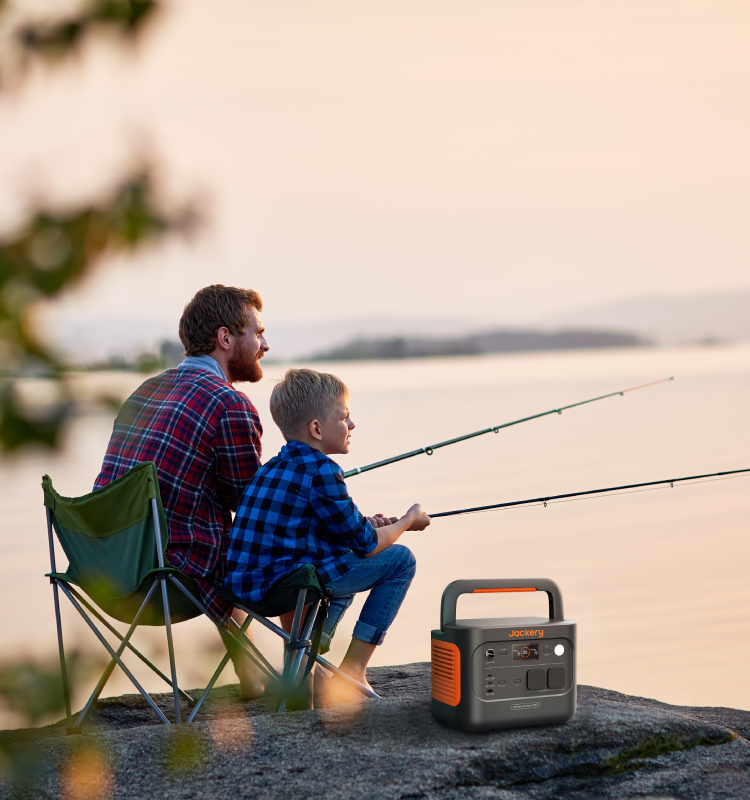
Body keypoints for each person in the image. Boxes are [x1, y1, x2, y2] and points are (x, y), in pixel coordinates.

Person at [94, 284, 270, 698]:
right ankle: (295, 677)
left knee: (213, 534)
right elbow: (250, 510)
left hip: (105, 569)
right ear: (226, 338)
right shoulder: (230, 404)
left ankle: (253, 673)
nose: (265, 344)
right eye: (257, 333)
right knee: (266, 540)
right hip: (165, 580)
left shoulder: (144, 391)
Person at [225, 368, 431, 706]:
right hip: (288, 589)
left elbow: (312, 525)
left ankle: (305, 665)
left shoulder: (270, 468)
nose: (352, 425)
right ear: (317, 429)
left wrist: (372, 524)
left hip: (247, 592)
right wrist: (407, 521)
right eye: (345, 417)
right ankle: (352, 670)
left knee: (339, 557)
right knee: (400, 561)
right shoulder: (323, 470)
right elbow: (365, 543)